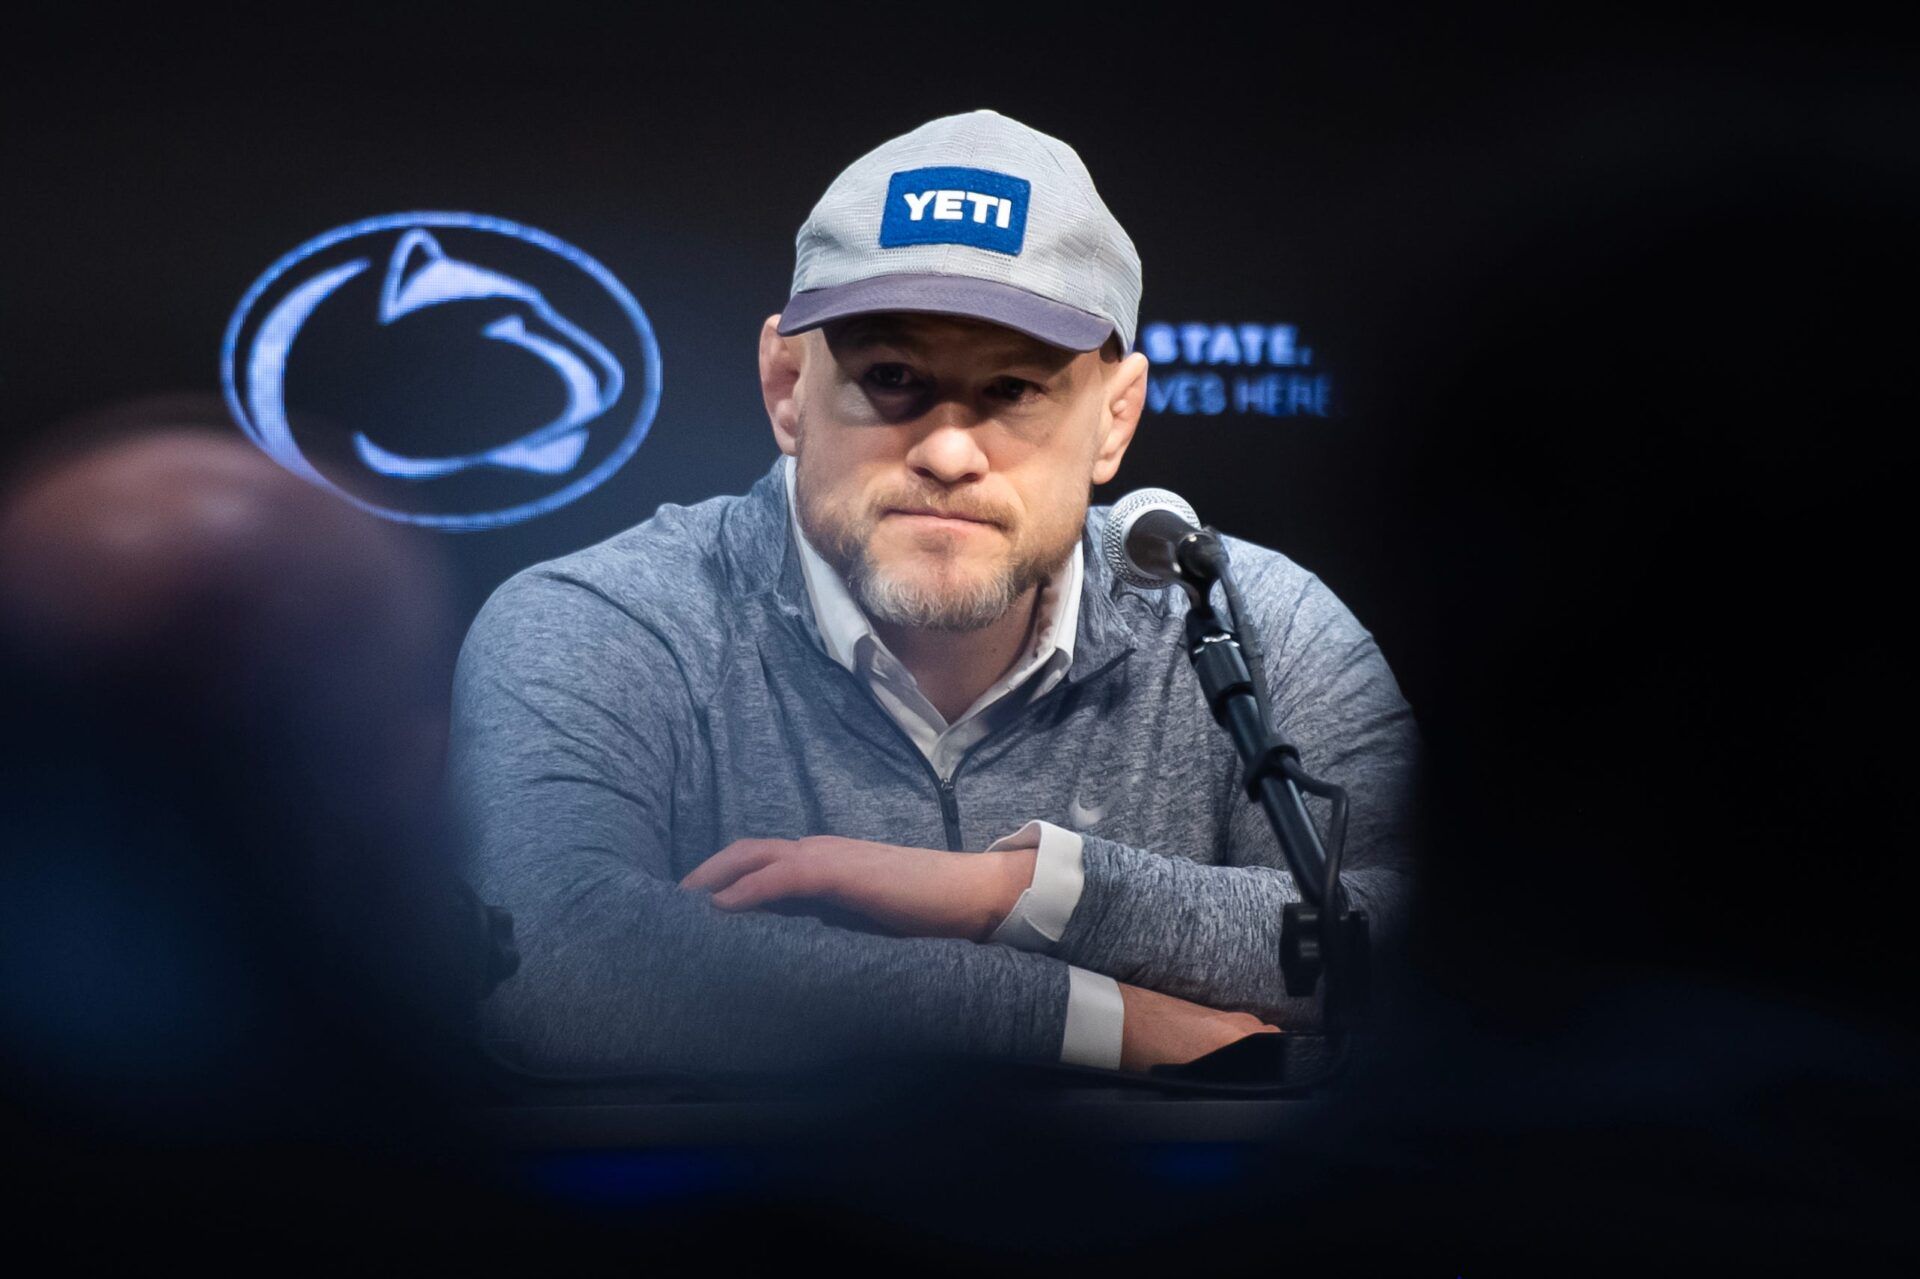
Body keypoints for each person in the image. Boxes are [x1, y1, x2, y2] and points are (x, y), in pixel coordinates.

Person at [449, 108, 1422, 1077]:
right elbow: (555, 963)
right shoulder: (602, 620)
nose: (949, 451)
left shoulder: (1251, 620)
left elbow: (1425, 945)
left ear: (1116, 418)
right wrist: (1092, 1018)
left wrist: (1019, 889)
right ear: (788, 383)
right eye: (891, 375)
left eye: (1013, 390)